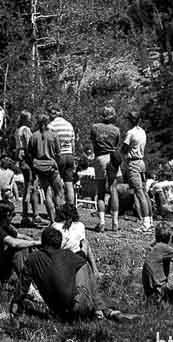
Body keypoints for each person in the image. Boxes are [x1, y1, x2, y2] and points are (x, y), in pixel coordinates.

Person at [11, 226, 100, 323]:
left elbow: (23, 285)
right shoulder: (67, 254)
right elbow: (81, 257)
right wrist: (84, 248)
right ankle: (100, 309)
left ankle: (101, 309)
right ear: (60, 243)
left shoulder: (32, 258)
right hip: (77, 308)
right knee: (84, 265)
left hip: (58, 311)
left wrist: (15, 303)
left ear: (43, 242)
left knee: (79, 264)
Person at [0, 199, 39, 282]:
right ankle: (25, 283)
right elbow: (13, 243)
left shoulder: (3, 224)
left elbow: (21, 236)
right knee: (19, 249)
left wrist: (36, 244)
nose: (14, 217)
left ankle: (30, 279)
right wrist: (35, 243)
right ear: (7, 215)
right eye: (13, 214)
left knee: (25, 245)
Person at [91, 105, 122, 233]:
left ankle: (102, 222)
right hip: (112, 158)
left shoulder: (95, 128)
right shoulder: (116, 130)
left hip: (100, 158)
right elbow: (116, 145)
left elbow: (93, 142)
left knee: (101, 191)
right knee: (113, 189)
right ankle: (115, 223)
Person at [28, 114, 61, 224]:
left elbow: (30, 153)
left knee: (47, 193)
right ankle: (59, 217)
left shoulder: (33, 136)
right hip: (51, 166)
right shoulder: (53, 135)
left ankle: (52, 220)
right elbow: (58, 153)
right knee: (58, 192)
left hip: (39, 168)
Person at [123, 111, 152, 232]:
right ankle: (150, 220)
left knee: (139, 192)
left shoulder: (130, 133)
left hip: (133, 162)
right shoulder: (142, 132)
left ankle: (145, 223)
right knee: (144, 193)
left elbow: (124, 149)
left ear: (130, 120)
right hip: (141, 162)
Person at [53, 202, 98, 276]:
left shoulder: (55, 226)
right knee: (85, 243)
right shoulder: (80, 225)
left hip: (59, 259)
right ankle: (95, 270)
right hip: (76, 259)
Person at [48, 105, 78, 206]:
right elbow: (73, 143)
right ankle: (71, 209)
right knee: (69, 184)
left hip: (58, 156)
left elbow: (50, 143)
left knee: (56, 184)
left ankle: (59, 209)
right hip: (69, 155)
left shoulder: (51, 126)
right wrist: (73, 156)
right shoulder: (69, 125)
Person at [15, 111, 36, 227]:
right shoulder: (26, 130)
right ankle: (26, 215)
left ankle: (26, 213)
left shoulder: (17, 130)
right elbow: (29, 145)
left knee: (27, 187)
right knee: (29, 187)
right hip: (27, 159)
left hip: (20, 157)